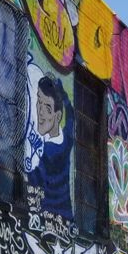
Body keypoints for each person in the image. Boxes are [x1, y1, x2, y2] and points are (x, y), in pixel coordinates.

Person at [26, 75, 74, 219]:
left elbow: (33, 178)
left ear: (57, 116)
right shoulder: (67, 139)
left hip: (47, 220)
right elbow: (71, 116)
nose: (40, 112)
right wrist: (62, 93)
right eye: (39, 102)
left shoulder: (47, 152)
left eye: (47, 108)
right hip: (66, 219)